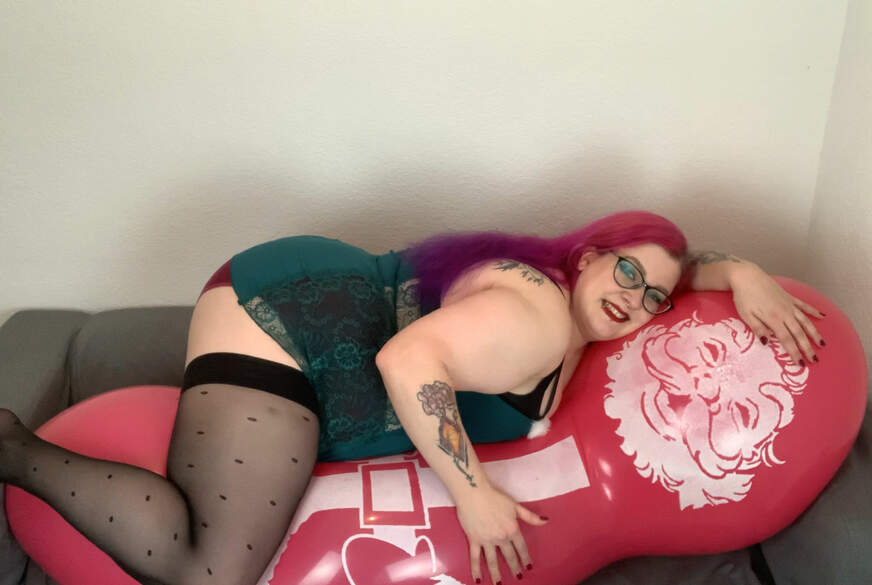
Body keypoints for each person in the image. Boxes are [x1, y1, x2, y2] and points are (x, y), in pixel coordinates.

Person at [0, 210, 824, 585]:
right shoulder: (538, 320)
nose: (635, 300)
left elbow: (678, 261)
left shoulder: (573, 310)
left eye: (654, 299)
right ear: (589, 255)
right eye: (627, 272)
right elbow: (407, 362)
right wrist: (474, 496)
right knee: (207, 571)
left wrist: (742, 272)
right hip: (290, 321)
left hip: (315, 311)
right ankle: (10, 445)